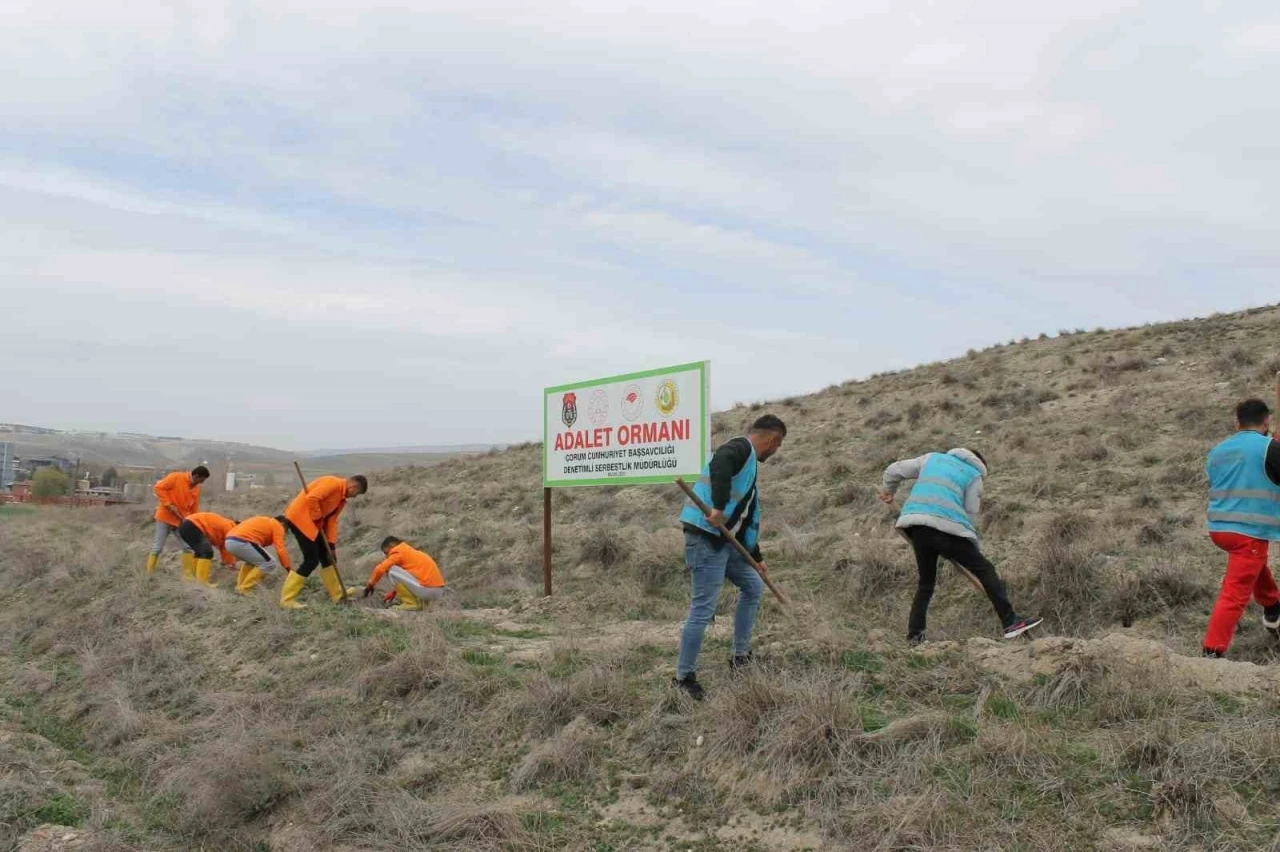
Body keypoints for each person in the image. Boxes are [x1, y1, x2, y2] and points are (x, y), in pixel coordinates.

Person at [673, 414, 787, 701]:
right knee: (703, 608)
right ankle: (683, 678)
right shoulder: (739, 448)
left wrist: (756, 556)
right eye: (778, 446)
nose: (776, 452)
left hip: (725, 542)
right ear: (773, 440)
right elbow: (719, 463)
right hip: (704, 537)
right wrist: (719, 507)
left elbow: (748, 518)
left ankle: (740, 657)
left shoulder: (749, 469)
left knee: (752, 586)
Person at [879, 448, 1041, 645]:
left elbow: (893, 470)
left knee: (926, 584)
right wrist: (966, 546)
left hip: (916, 526)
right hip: (946, 527)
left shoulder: (932, 458)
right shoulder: (974, 475)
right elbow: (970, 514)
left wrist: (889, 491)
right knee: (985, 568)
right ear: (979, 463)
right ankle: (1010, 622)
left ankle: (915, 637)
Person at [1202, 398, 1280, 658]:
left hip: (1219, 530)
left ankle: (1273, 609)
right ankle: (1211, 653)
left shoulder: (1218, 451)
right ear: (1266, 422)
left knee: (1254, 565)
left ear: (1237, 422)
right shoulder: (1268, 447)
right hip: (1249, 531)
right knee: (1234, 594)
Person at [279, 474, 368, 609]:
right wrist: (317, 516)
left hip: (314, 523)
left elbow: (331, 521)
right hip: (300, 520)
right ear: (353, 487)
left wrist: (331, 546)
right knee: (311, 560)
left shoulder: (341, 499)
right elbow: (312, 498)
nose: (355, 496)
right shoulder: (332, 483)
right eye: (357, 493)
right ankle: (287, 599)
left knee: (328, 558)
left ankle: (337, 594)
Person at [146, 465, 210, 579]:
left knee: (188, 547)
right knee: (157, 548)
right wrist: (168, 504)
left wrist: (194, 522)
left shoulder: (196, 489)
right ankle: (148, 574)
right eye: (201, 480)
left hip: (181, 521)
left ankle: (188, 576)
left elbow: (194, 508)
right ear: (196, 476)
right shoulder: (176, 477)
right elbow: (158, 488)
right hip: (164, 517)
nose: (201, 483)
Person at [354, 536, 446, 611]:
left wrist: (370, 585)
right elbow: (409, 579)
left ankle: (411, 603)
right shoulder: (410, 552)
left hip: (427, 590)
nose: (387, 556)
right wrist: (394, 593)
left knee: (391, 570)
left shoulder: (398, 552)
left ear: (391, 547)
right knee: (395, 571)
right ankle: (422, 604)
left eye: (386, 553)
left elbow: (379, 569)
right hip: (437, 591)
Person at [225, 515, 294, 596]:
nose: (284, 533)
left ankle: (239, 587)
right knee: (270, 563)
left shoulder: (264, 521)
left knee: (252, 562)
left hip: (229, 541)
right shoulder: (277, 525)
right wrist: (289, 569)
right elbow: (280, 549)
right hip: (243, 541)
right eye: (286, 530)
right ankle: (245, 588)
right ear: (283, 523)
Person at [176, 511, 238, 588]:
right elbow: (226, 547)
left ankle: (195, 579)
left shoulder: (227, 525)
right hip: (192, 526)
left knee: (199, 552)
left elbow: (223, 547)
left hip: (185, 525)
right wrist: (231, 563)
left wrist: (229, 562)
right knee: (207, 553)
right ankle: (202, 583)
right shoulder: (230, 529)